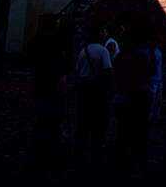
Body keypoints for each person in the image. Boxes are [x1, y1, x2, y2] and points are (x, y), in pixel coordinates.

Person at [112, 24, 155, 175]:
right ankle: (137, 161)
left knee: (123, 130)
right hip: (139, 96)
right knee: (139, 130)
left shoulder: (120, 56)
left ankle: (122, 161)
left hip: (124, 96)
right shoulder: (142, 56)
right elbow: (149, 73)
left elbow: (116, 76)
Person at [29, 15, 68, 173]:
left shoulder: (37, 41)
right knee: (53, 122)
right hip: (53, 86)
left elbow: (29, 57)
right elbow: (62, 65)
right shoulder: (58, 42)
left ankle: (39, 151)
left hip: (40, 84)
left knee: (41, 120)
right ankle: (50, 154)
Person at [74, 31, 114, 166]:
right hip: (97, 90)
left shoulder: (83, 51)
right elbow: (108, 71)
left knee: (83, 119)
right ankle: (95, 150)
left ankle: (80, 149)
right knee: (98, 121)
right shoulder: (103, 51)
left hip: (84, 88)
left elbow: (77, 70)